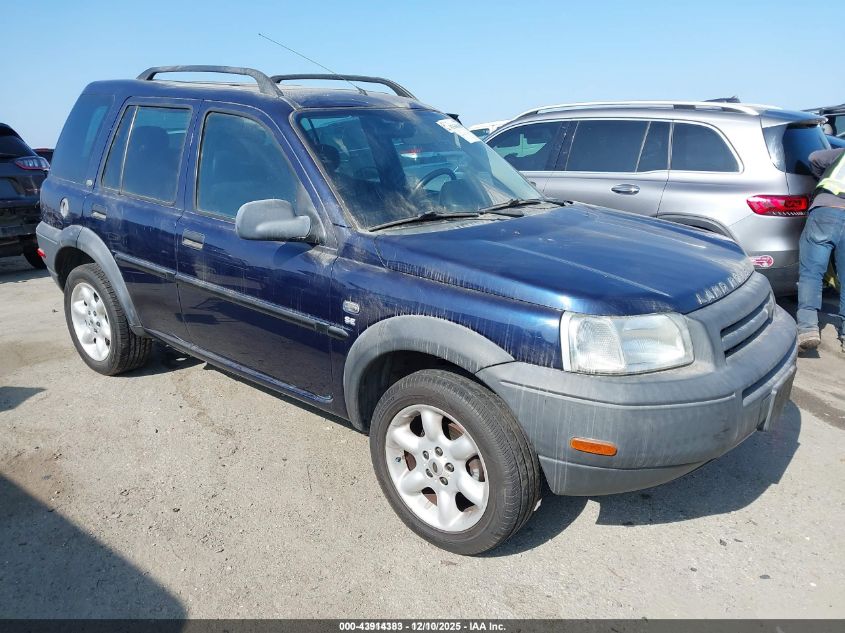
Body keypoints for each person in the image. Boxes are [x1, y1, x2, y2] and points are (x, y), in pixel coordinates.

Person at [796, 146, 845, 352]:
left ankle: (807, 329)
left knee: (811, 273)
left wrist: (822, 178)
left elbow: (814, 157)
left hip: (826, 209)